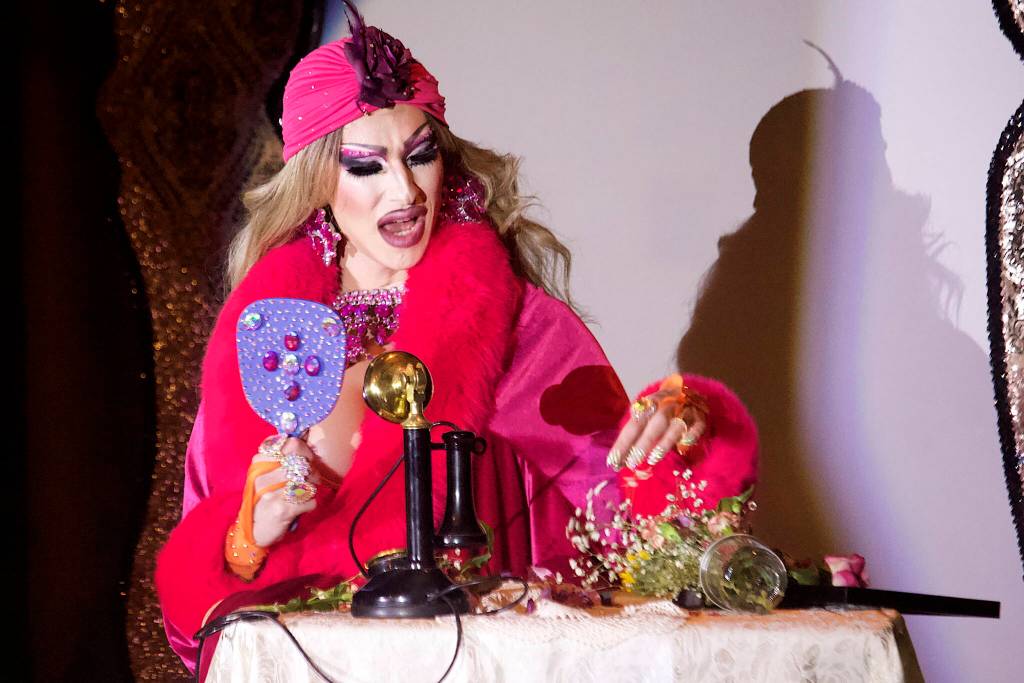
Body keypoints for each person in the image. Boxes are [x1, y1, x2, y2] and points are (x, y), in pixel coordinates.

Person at [155, 2, 758, 674]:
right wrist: (244, 538)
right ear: (319, 180)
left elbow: (635, 529)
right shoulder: (267, 341)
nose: (406, 190)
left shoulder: (519, 327)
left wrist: (686, 427)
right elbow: (196, 617)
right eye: (368, 167)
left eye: (421, 155)